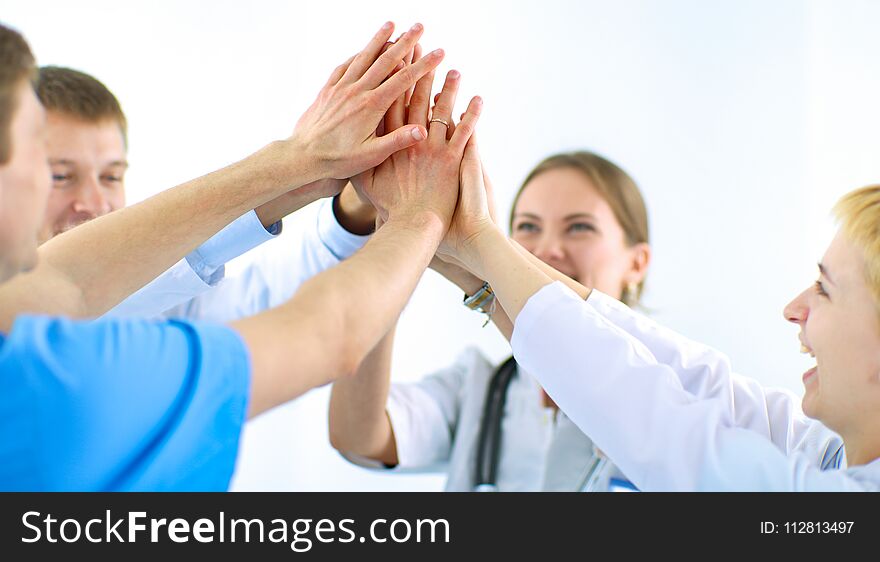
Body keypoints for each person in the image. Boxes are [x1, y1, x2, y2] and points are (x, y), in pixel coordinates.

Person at [0, 20, 483, 491]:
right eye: (48, 166)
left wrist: (309, 167)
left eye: (110, 176)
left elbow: (71, 280)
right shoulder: (61, 374)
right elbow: (330, 332)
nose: (92, 202)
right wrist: (419, 216)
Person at [432, 127, 880, 491]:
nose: (793, 308)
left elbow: (657, 423)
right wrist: (481, 272)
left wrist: (480, 244)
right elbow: (699, 383)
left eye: (824, 289)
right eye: (527, 226)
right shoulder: (821, 452)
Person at [330, 151, 650, 491]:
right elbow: (358, 436)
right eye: (528, 226)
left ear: (637, 263)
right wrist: (392, 240)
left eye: (580, 227)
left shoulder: (669, 400)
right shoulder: (478, 389)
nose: (547, 249)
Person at [36, 65, 377, 321]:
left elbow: (269, 303)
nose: (96, 204)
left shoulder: (162, 307)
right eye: (61, 176)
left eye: (111, 177)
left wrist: (356, 207)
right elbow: (66, 297)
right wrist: (295, 164)